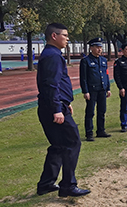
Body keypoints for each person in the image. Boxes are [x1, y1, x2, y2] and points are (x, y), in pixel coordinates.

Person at [36, 23, 90, 197]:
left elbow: (56, 85)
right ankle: (68, 185)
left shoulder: (51, 54)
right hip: (53, 109)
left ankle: (46, 183)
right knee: (72, 142)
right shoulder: (53, 56)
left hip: (54, 106)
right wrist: (58, 108)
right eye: (65, 35)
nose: (67, 39)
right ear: (54, 36)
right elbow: (51, 85)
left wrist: (65, 103)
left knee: (58, 146)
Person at [79, 38, 112, 141]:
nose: (99, 49)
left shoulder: (103, 60)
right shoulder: (86, 61)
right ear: (91, 48)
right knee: (90, 112)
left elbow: (106, 74)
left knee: (102, 111)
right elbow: (83, 78)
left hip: (102, 89)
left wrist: (108, 88)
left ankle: (101, 131)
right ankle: (89, 133)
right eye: (97, 47)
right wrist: (85, 91)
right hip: (92, 90)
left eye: (100, 47)